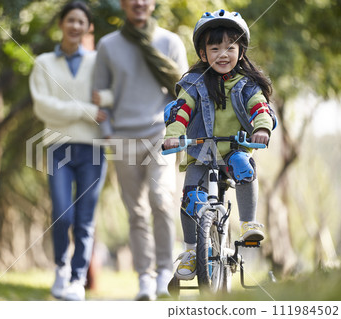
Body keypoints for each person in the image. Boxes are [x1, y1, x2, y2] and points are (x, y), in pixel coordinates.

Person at [163, 9, 276, 280]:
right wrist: (174, 133)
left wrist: (261, 127)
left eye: (230, 47)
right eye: (215, 48)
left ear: (241, 51)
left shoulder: (247, 84)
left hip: (234, 149)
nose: (223, 54)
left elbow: (259, 107)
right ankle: (191, 251)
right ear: (203, 54)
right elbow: (181, 110)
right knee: (190, 197)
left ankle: (248, 223)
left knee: (245, 165)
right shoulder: (193, 83)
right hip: (202, 154)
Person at [93, 0, 188, 300]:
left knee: (161, 200)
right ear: (122, 4)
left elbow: (186, 92)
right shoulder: (107, 46)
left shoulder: (170, 42)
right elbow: (99, 96)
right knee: (135, 212)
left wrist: (178, 131)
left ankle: (163, 273)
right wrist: (108, 134)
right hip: (123, 137)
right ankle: (145, 278)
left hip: (161, 135)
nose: (138, 2)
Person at [29, 1, 112, 301]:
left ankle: (78, 279)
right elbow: (44, 108)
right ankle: (61, 268)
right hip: (58, 146)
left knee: (85, 218)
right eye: (70, 20)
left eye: (81, 21)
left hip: (93, 149)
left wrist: (101, 102)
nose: (75, 26)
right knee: (62, 213)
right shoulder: (43, 63)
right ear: (61, 23)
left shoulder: (98, 61)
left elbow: (111, 96)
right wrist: (87, 110)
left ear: (88, 27)